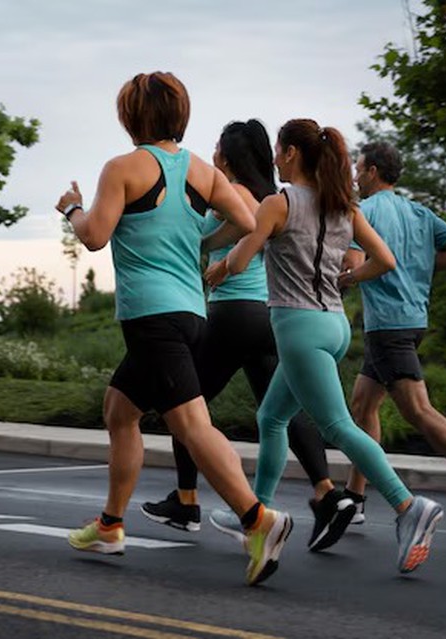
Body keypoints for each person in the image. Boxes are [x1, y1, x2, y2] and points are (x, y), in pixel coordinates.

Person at [54, 72, 293, 586]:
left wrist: (71, 208)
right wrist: (204, 243)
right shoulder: (202, 172)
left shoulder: (122, 168)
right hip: (190, 312)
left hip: (151, 317)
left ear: (130, 116)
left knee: (190, 425)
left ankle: (259, 520)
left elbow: (95, 236)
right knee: (120, 410)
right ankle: (111, 525)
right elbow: (250, 221)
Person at [207, 118, 444, 574]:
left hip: (298, 327)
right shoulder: (343, 205)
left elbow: (240, 256)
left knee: (337, 426)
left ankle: (408, 507)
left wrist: (219, 269)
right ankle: (259, 513)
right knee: (271, 416)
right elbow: (386, 260)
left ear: (292, 153)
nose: (274, 158)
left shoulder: (279, 203)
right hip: (335, 325)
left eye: (278, 150)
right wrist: (347, 278)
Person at [140, 119, 355, 553]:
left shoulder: (235, 195)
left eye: (219, 147)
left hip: (233, 314)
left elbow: (209, 237)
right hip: (268, 318)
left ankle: (186, 502)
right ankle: (327, 492)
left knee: (184, 404)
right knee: (279, 412)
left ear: (229, 156)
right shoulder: (269, 197)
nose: (214, 153)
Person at [341, 141, 446, 535]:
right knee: (363, 404)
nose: (354, 176)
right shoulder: (418, 212)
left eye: (359, 168)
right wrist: (418, 266)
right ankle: (356, 497)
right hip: (413, 320)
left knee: (417, 410)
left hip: (388, 325)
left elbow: (351, 265)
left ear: (371, 172)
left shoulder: (364, 213)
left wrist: (345, 277)